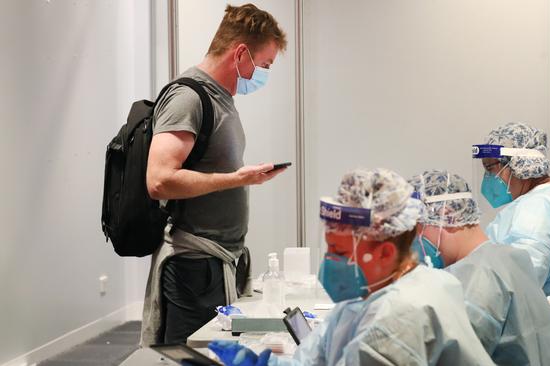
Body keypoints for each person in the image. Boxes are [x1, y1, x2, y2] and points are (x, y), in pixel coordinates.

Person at [209, 168, 495, 366]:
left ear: (384, 252)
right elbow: (315, 357)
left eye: (340, 252)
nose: (329, 262)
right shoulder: (367, 296)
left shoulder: (400, 316)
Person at [140, 4, 288, 345]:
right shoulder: (188, 97)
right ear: (240, 54)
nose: (263, 74)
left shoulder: (222, 99)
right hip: (192, 267)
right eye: (264, 65)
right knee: (190, 354)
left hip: (215, 263)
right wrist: (239, 179)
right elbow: (159, 180)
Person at [409, 169, 550, 366]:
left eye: (416, 230)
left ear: (446, 217)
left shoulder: (479, 277)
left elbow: (453, 357)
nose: (413, 242)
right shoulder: (508, 257)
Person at [472, 122, 550, 360]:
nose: (488, 178)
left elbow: (517, 285)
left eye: (490, 168)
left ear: (517, 163)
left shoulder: (535, 210)